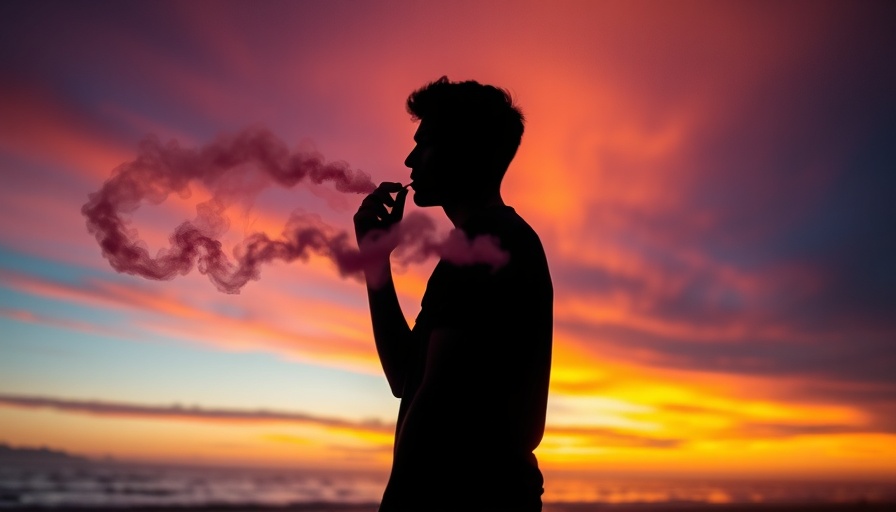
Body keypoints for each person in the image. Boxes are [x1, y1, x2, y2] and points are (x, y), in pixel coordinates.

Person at [353, 77, 553, 512]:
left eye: (423, 144)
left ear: (463, 151)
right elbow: (405, 377)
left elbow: (432, 404)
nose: (409, 159)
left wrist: (397, 507)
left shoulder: (487, 242)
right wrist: (375, 259)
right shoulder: (490, 241)